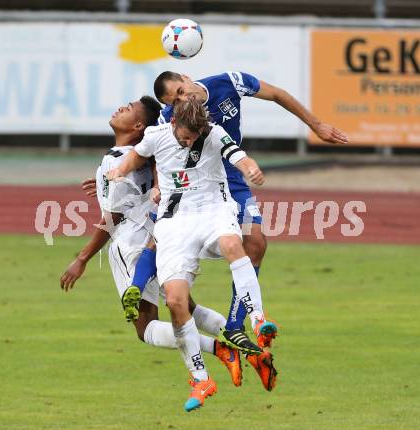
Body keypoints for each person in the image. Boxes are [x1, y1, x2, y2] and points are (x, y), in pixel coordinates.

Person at [130, 70, 349, 352]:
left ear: (186, 76)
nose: (183, 100)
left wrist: (316, 125)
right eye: (175, 100)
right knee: (161, 238)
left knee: (255, 242)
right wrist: (159, 185)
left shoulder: (229, 82)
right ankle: (143, 286)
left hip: (232, 180)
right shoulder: (166, 118)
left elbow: (278, 94)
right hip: (195, 187)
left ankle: (235, 324)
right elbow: (160, 152)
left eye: (182, 91)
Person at [59, 96, 245, 390]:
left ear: (138, 126)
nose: (121, 107)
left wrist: (82, 259)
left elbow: (114, 216)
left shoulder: (118, 157)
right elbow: (149, 178)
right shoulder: (148, 151)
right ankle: (236, 334)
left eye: (129, 108)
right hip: (159, 238)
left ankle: (220, 349)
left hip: (132, 245)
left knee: (145, 328)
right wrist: (105, 185)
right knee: (185, 305)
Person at [107, 98, 277, 412]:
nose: (190, 141)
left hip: (214, 210)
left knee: (231, 245)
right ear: (174, 124)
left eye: (194, 137)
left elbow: (236, 155)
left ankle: (259, 319)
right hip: (175, 223)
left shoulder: (212, 133)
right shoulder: (157, 135)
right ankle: (201, 378)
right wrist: (119, 170)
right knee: (175, 301)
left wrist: (249, 166)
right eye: (186, 136)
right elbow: (136, 156)